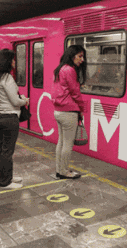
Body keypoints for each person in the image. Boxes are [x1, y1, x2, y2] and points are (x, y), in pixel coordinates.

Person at [0, 49, 28, 189]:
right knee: (7, 151)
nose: (15, 62)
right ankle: (5, 182)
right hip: (9, 116)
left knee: (3, 149)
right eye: (13, 59)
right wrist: (25, 101)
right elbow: (15, 102)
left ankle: (7, 176)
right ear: (8, 61)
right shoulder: (7, 78)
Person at [51, 45, 87, 179]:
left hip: (58, 111)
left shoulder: (59, 69)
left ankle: (59, 170)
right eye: (80, 56)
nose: (82, 60)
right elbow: (75, 93)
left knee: (61, 142)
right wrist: (82, 109)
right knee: (68, 144)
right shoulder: (70, 70)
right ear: (72, 56)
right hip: (68, 111)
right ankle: (64, 171)